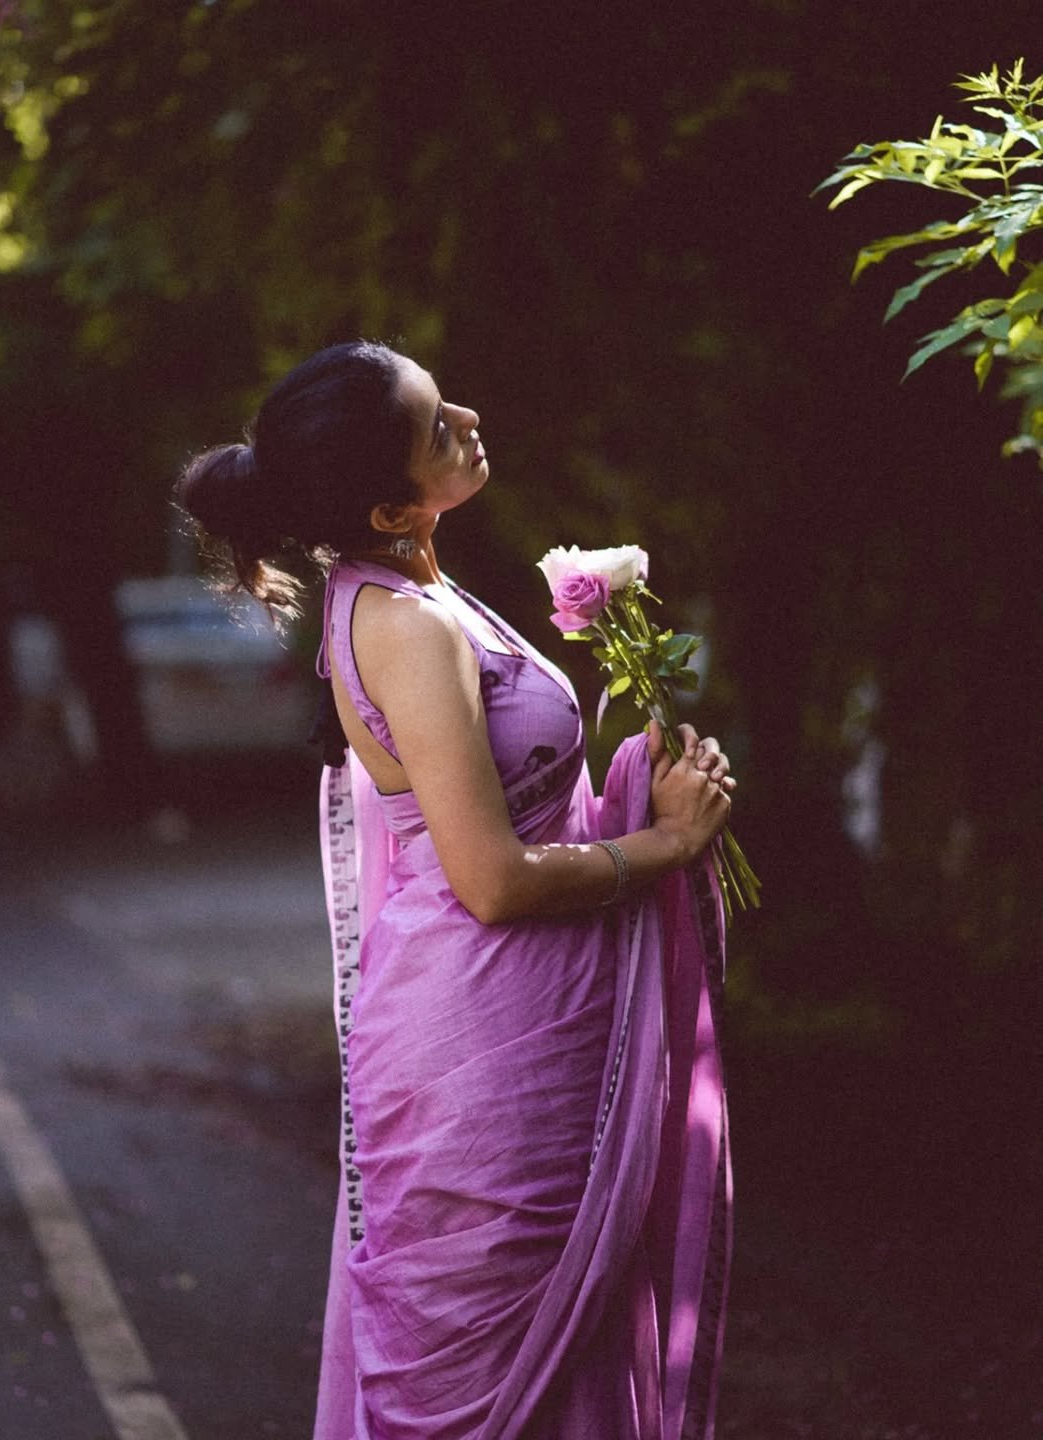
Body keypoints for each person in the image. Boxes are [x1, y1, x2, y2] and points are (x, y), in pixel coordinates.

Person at [180, 340, 735, 1439]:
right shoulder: (406, 625)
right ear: (393, 507)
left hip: (521, 1009)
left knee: (557, 1340)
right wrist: (669, 846)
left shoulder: (415, 592)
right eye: (440, 425)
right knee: (491, 1358)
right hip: (483, 1037)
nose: (471, 417)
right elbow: (489, 878)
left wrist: (632, 775)